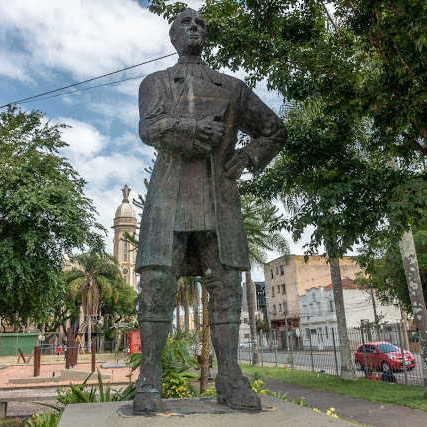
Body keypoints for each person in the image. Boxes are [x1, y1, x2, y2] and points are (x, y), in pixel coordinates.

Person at [133, 8, 286, 414]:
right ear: (173, 36)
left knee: (224, 289)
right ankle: (149, 374)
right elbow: (150, 128)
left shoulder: (232, 88)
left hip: (219, 200)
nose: (195, 28)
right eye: (186, 23)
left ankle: (230, 375)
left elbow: (274, 129)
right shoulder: (157, 83)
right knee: (157, 286)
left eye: (201, 24)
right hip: (169, 198)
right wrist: (190, 130)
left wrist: (249, 157)